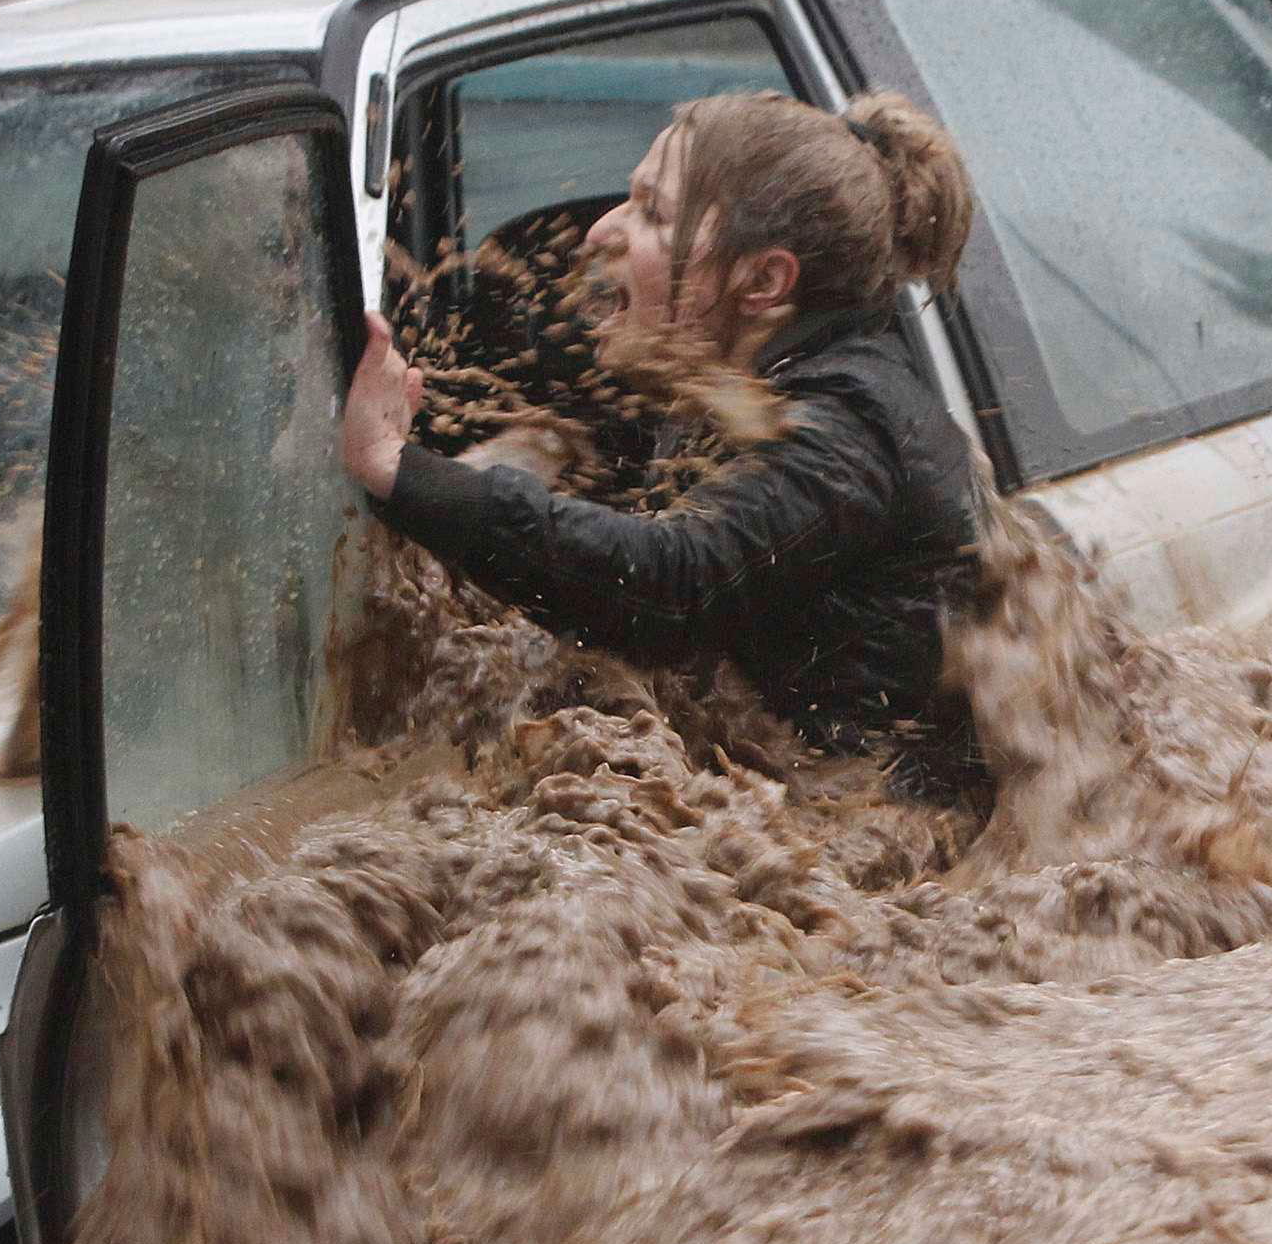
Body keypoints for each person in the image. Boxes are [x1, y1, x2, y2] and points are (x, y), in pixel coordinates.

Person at [339, 89, 988, 784]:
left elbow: (668, 587)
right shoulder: (743, 383)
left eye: (652, 211)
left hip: (890, 851)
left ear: (763, 280)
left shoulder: (849, 431)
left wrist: (396, 470)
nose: (599, 232)